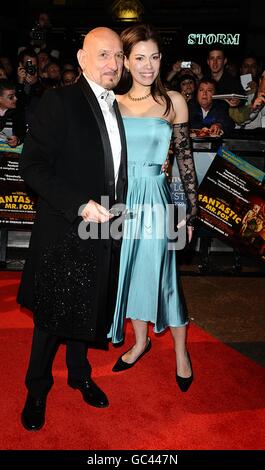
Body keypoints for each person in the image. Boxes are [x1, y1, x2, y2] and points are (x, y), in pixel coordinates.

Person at [17, 27, 127, 431]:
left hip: (107, 223)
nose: (113, 64)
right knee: (52, 314)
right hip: (67, 225)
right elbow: (32, 166)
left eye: (118, 56)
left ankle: (79, 373)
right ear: (81, 59)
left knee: (90, 301)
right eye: (103, 55)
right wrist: (78, 205)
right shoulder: (58, 101)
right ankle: (37, 388)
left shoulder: (119, 105)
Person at [108, 24, 197, 392]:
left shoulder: (174, 101)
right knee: (128, 274)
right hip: (122, 201)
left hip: (158, 201)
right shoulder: (112, 103)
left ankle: (181, 351)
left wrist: (190, 214)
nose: (148, 66)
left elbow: (185, 162)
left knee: (164, 276)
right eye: (140, 58)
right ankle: (141, 341)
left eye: (155, 57)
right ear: (126, 62)